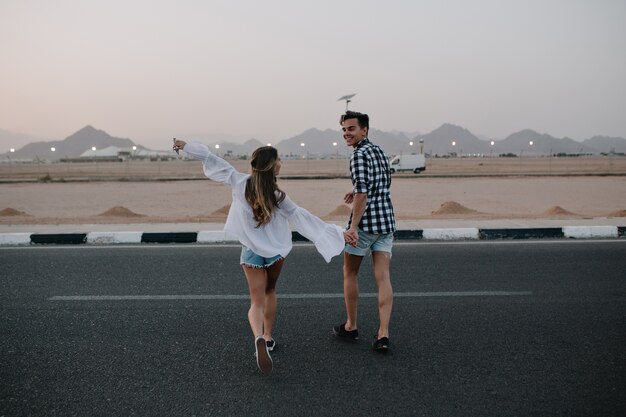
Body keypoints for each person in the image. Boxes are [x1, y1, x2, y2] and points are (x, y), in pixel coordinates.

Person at [173, 139, 355, 374]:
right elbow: (304, 218)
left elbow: (213, 160)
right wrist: (340, 233)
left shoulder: (239, 183)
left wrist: (186, 146)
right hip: (275, 253)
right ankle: (268, 337)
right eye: (278, 159)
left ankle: (258, 335)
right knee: (270, 292)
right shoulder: (278, 195)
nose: (281, 163)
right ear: (272, 166)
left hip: (251, 253)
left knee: (256, 301)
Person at [332, 111, 396, 352]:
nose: (346, 133)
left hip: (366, 225)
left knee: (350, 273)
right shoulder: (379, 151)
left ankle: (351, 326)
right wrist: (356, 189)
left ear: (364, 130)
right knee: (383, 278)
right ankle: (383, 333)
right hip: (387, 222)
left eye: (351, 129)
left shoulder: (358, 155)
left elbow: (362, 194)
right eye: (344, 129)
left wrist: (353, 227)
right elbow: (383, 182)